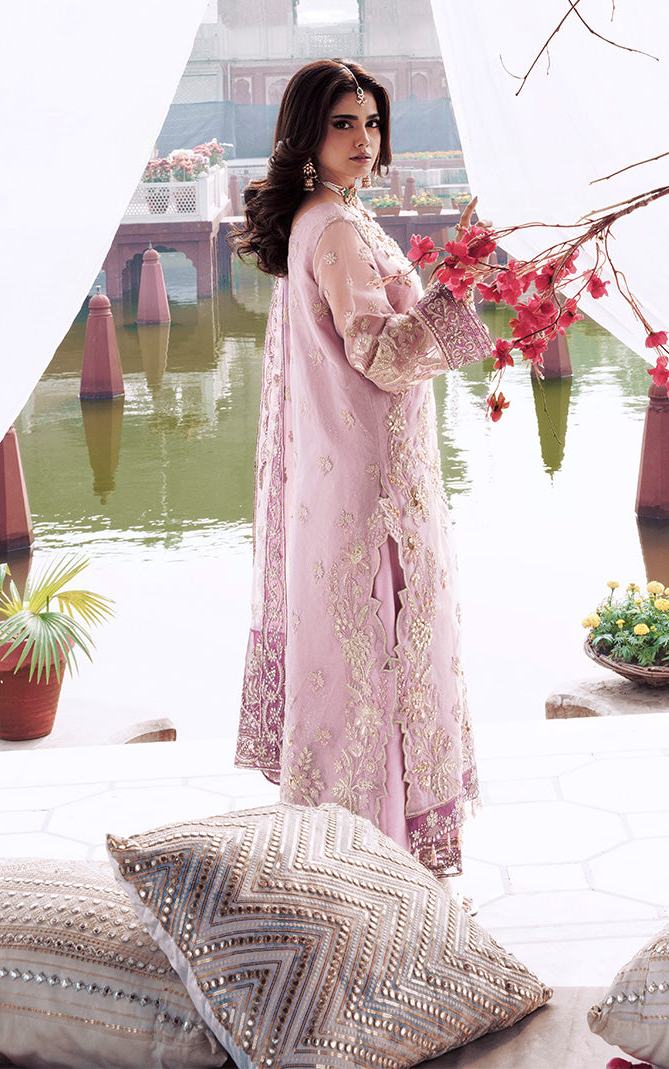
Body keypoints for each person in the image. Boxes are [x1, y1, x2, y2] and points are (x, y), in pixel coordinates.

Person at [231, 58, 491, 877]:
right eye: (343, 123)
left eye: (371, 122)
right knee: (379, 660)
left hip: (346, 478)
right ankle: (378, 862)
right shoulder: (336, 227)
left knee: (355, 663)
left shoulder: (327, 216)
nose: (363, 139)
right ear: (306, 132)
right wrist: (459, 288)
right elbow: (379, 353)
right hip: (371, 490)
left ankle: (348, 859)